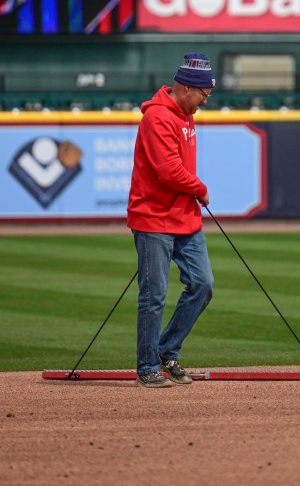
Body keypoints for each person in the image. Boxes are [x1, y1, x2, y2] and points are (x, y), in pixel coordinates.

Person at [127, 53, 216, 388]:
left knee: (203, 284)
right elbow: (167, 171)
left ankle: (166, 351)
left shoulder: (185, 113)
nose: (206, 99)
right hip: (152, 217)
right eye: (204, 93)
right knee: (154, 296)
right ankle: (147, 366)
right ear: (185, 87)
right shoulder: (158, 118)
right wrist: (200, 188)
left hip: (184, 217)